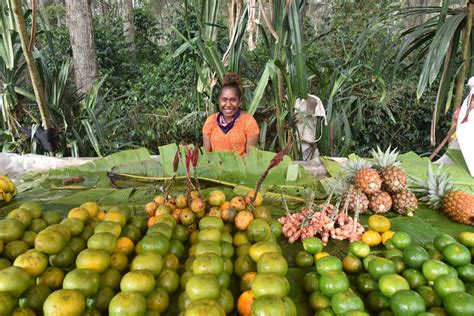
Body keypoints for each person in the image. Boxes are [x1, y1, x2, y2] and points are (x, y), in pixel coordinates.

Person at [202, 73, 260, 156]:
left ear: (240, 101)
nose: (228, 104)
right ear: (219, 100)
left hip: (240, 168)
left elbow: (250, 158)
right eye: (224, 100)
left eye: (233, 100)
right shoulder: (210, 122)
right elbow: (207, 155)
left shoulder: (249, 123)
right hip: (214, 168)